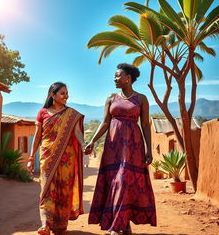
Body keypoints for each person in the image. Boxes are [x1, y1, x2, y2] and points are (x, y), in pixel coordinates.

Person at [86, 63, 157, 235]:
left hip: (133, 147)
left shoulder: (141, 99)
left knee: (124, 180)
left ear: (128, 78)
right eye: (115, 76)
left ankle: (118, 224)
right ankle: (122, 224)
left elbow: (146, 125)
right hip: (113, 146)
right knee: (114, 181)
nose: (115, 78)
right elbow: (105, 122)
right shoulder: (111, 98)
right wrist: (93, 140)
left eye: (118, 75)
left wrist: (149, 149)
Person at [27, 82, 87, 235]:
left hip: (67, 158)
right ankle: (45, 224)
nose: (66, 96)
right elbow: (38, 137)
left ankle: (60, 224)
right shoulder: (42, 113)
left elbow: (78, 132)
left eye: (67, 93)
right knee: (46, 190)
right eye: (62, 93)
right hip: (47, 156)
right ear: (52, 95)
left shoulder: (72, 114)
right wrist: (31, 157)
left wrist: (83, 145)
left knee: (64, 190)